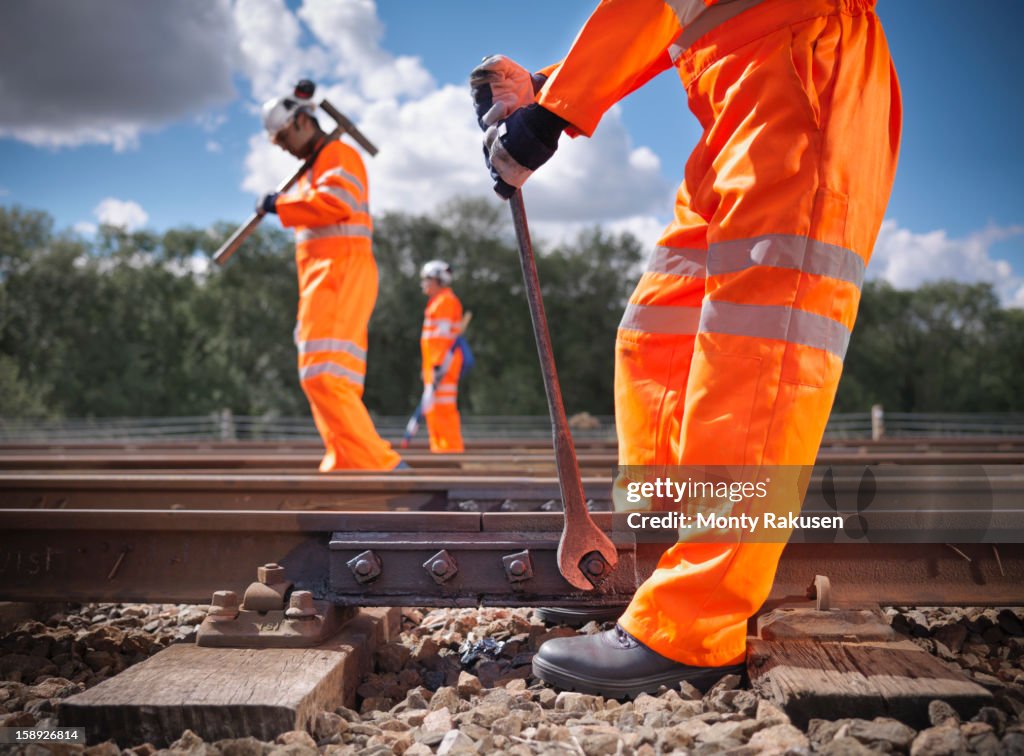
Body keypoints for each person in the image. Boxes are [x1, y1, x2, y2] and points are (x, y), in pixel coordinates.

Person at [471, 0, 901, 697]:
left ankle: (693, 624)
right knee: (655, 337)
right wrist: (552, 92)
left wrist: (553, 110)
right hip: (737, 86)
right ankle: (652, 567)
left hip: (802, 70)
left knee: (755, 358)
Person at [257, 83, 404, 472]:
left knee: (322, 375)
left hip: (341, 273)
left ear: (303, 120)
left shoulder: (338, 155)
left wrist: (279, 204)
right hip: (323, 281)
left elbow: (336, 205)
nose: (285, 147)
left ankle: (379, 465)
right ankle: (345, 461)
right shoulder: (312, 171)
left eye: (286, 136)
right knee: (331, 377)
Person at [418, 260, 467, 453]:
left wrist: (437, 367)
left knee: (443, 411)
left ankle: (450, 453)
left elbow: (441, 339)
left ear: (437, 280)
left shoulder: (445, 302)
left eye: (426, 279)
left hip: (443, 368)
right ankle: (440, 452)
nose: (424, 283)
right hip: (437, 367)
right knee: (435, 411)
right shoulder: (438, 302)